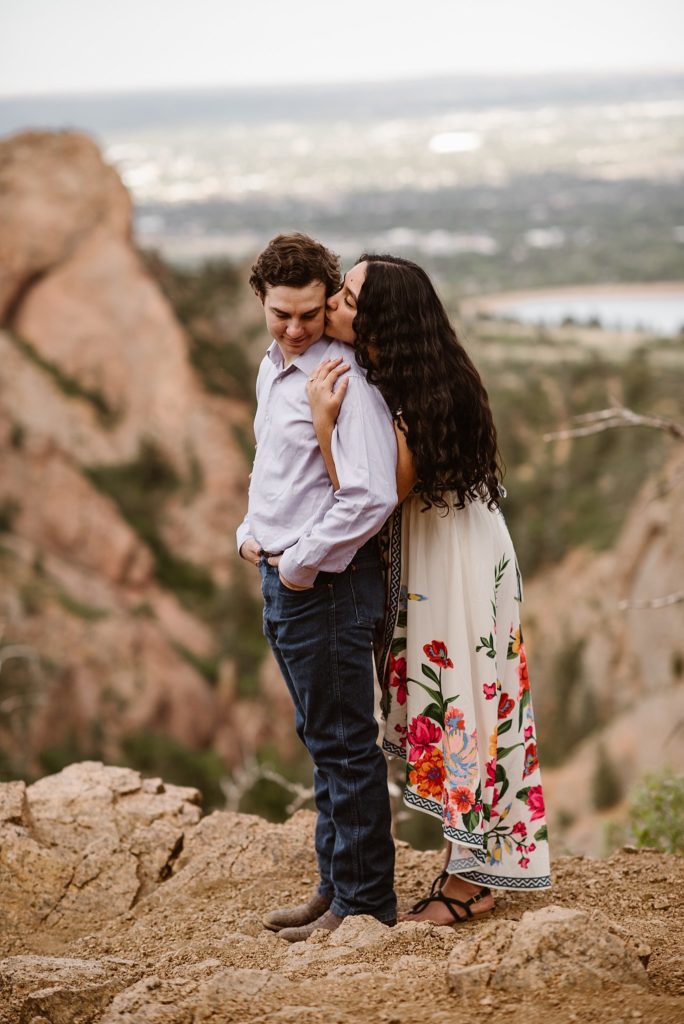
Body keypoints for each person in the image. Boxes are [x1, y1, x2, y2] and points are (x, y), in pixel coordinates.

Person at [307, 254, 551, 925]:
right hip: (457, 550)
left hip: (456, 566)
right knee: (465, 702)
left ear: (382, 317)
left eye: (348, 299)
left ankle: (470, 883)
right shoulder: (416, 376)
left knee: (463, 705)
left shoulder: (420, 397)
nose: (333, 304)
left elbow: (375, 500)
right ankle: (470, 863)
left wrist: (325, 430)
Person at [236, 234, 399, 941]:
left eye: (309, 313)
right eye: (281, 314)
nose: (296, 328)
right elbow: (273, 462)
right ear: (262, 303)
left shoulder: (343, 377)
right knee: (322, 739)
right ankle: (335, 891)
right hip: (284, 578)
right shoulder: (275, 368)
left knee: (344, 744)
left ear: (328, 300)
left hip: (326, 586)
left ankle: (363, 907)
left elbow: (371, 495)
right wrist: (250, 532)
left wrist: (299, 562)